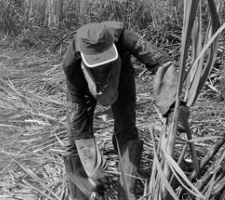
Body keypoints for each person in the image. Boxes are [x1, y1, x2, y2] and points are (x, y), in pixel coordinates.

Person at [62, 21, 183, 199]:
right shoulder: (72, 67)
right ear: (83, 57)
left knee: (126, 128)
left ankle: (127, 192)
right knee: (75, 140)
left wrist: (172, 104)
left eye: (105, 60)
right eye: (97, 62)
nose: (101, 67)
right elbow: (80, 130)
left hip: (120, 73)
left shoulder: (123, 37)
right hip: (84, 82)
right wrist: (92, 167)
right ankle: (82, 192)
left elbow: (161, 61)